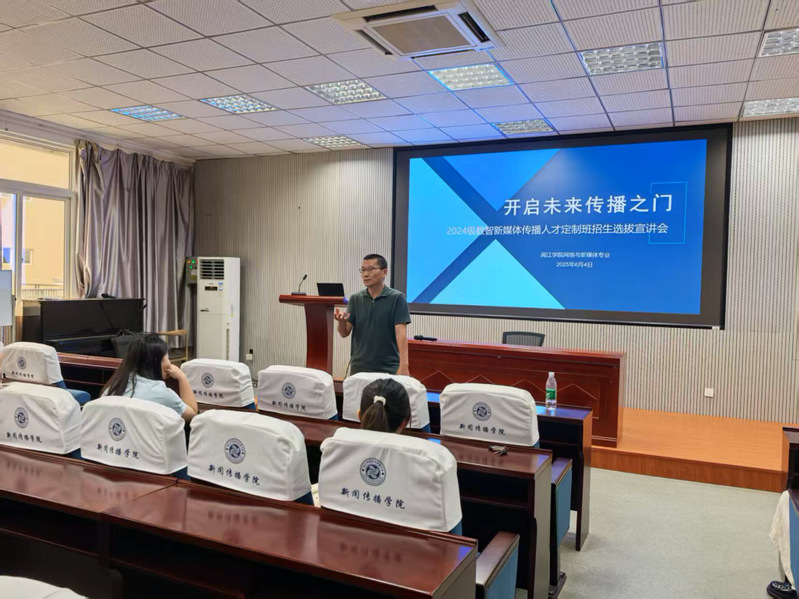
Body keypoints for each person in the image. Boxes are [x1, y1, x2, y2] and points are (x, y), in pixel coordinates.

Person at [334, 253, 411, 376]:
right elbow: (344, 333)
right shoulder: (355, 298)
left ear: (384, 272)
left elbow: (401, 335)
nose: (365, 274)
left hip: (389, 367)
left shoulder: (397, 298)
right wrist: (341, 322)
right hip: (359, 367)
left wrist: (404, 366)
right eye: (363, 270)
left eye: (370, 269)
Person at [101, 333, 198, 422]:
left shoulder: (114, 386)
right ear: (156, 362)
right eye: (167, 358)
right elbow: (192, 413)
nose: (169, 363)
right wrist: (182, 377)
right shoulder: (161, 393)